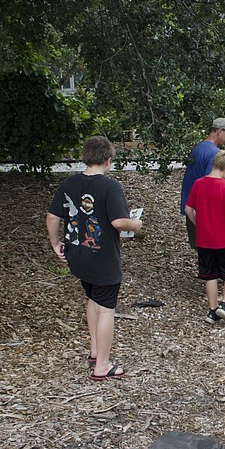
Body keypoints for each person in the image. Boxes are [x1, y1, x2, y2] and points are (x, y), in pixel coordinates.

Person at [46, 136, 142, 381]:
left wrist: (56, 243)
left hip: (77, 256)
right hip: (103, 259)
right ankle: (102, 365)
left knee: (92, 297)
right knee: (107, 308)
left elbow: (52, 216)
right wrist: (137, 224)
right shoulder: (110, 187)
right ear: (108, 160)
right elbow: (119, 222)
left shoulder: (68, 184)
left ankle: (95, 349)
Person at [179, 117, 225, 296]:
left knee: (205, 254)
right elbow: (212, 185)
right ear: (218, 131)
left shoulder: (198, 148)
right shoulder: (214, 154)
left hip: (194, 208)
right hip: (209, 213)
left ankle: (213, 287)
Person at [185, 150, 225, 324]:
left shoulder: (198, 184)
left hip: (204, 240)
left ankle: (212, 311)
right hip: (224, 240)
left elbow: (188, 209)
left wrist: (199, 223)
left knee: (210, 274)